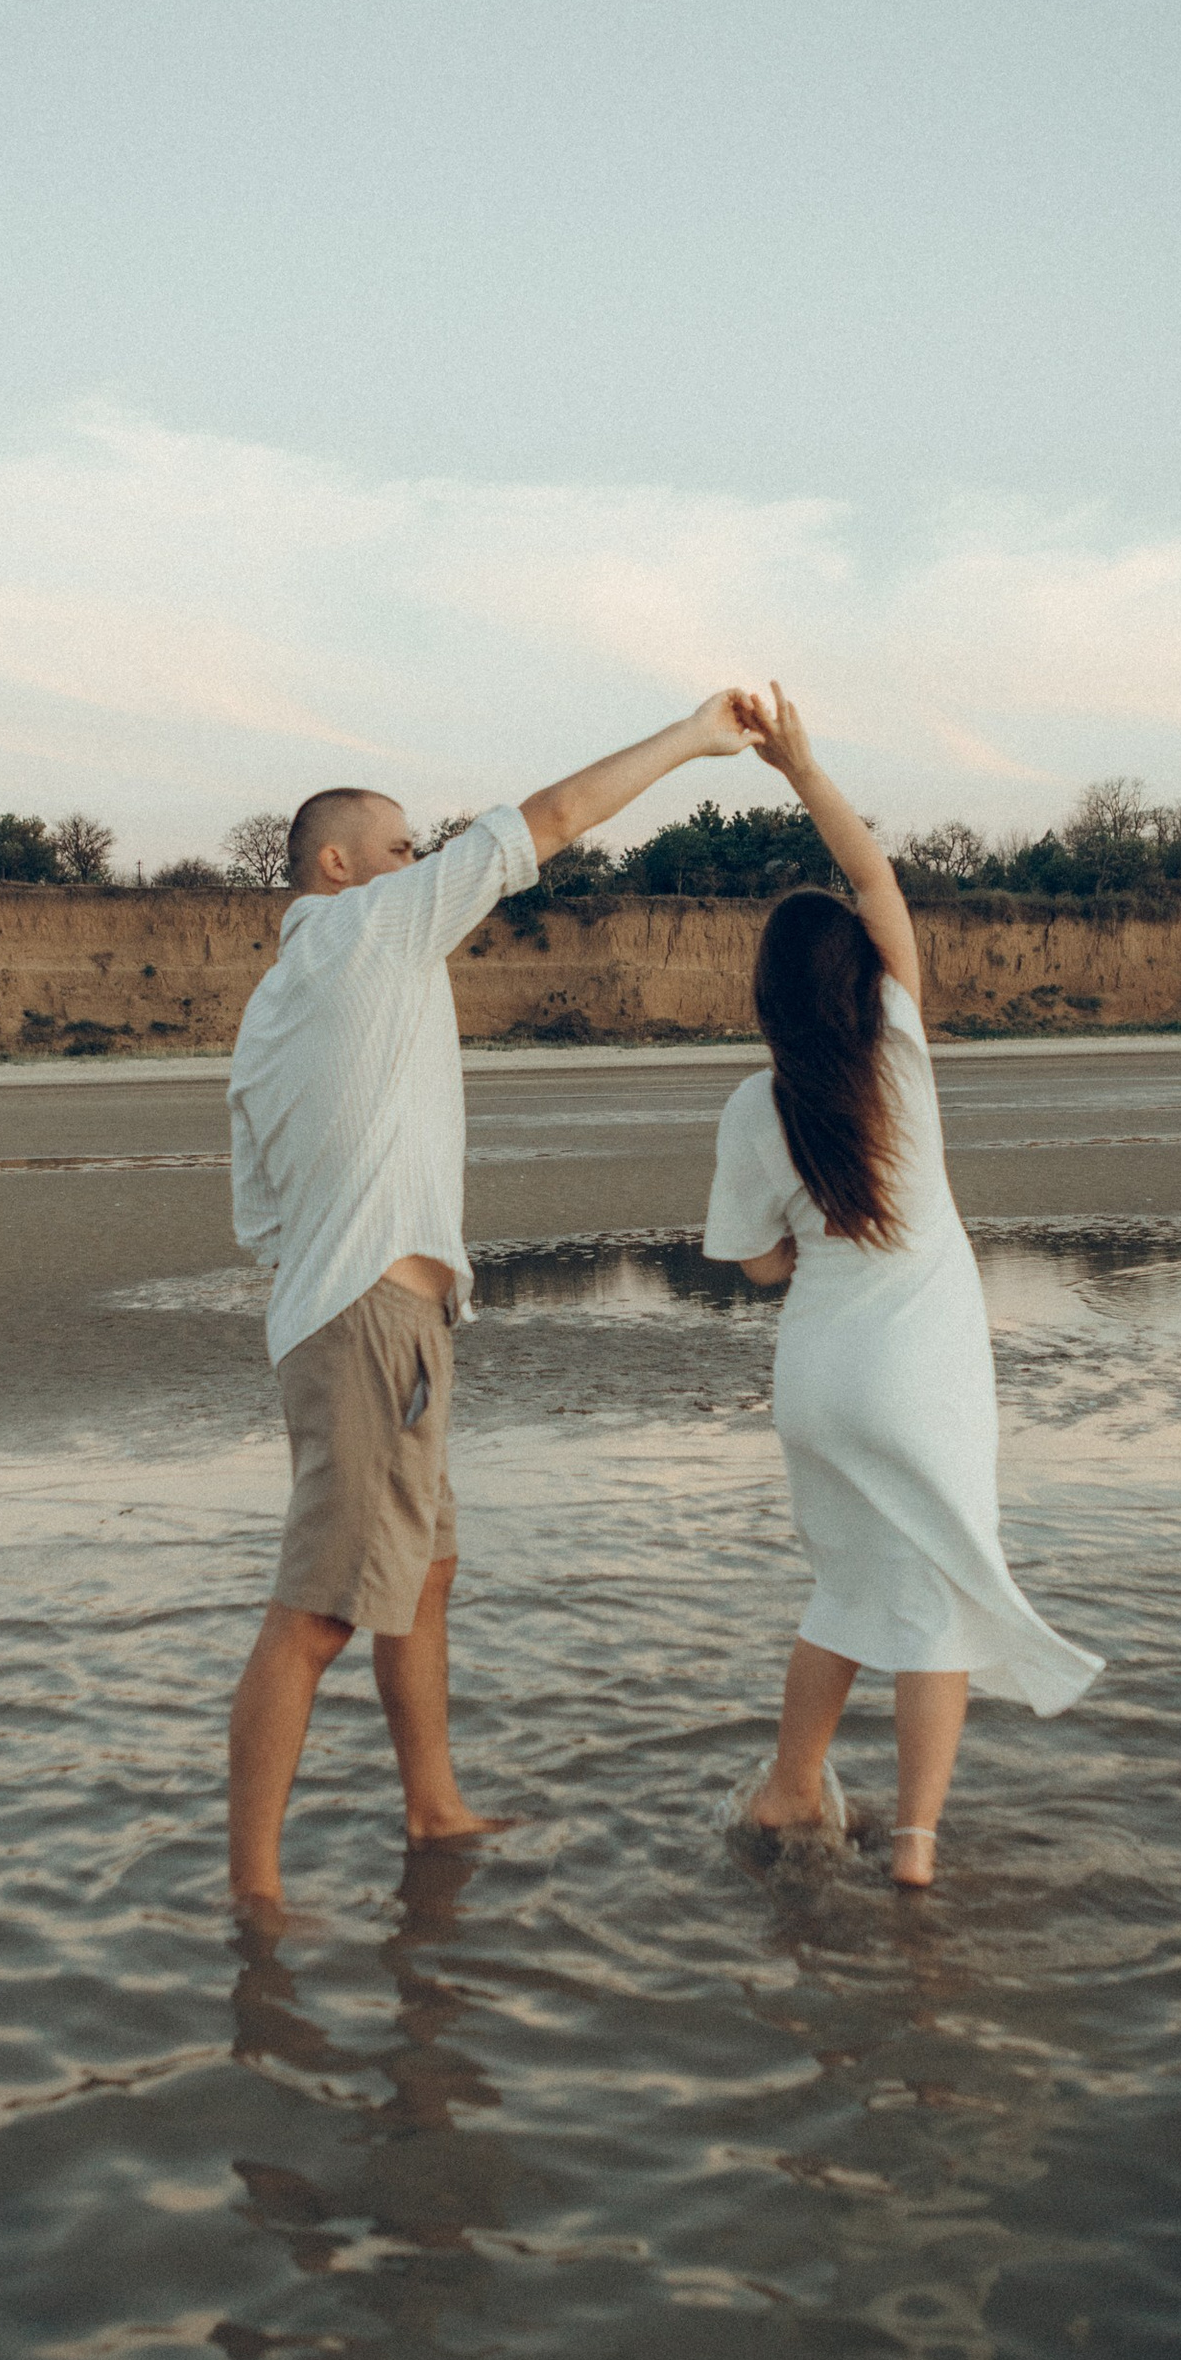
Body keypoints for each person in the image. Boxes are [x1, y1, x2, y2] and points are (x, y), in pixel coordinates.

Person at [225, 688, 770, 1906]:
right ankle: (252, 1897)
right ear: (339, 863)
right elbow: (555, 817)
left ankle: (434, 1811)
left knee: (422, 1575)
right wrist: (693, 737)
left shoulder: (279, 1002)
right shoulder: (369, 929)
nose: (421, 861)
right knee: (318, 1613)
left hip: (372, 1318)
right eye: (404, 845)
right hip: (370, 1319)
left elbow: (258, 1213)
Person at [703, 686, 1100, 1888]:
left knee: (847, 1587)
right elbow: (876, 884)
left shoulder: (753, 1104)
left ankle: (786, 1796)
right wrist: (805, 772)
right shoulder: (900, 1052)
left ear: (769, 995)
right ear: (865, 979)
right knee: (940, 1597)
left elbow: (754, 1265)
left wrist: (799, 1248)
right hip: (920, 1374)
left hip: (818, 1376)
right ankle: (917, 1851)